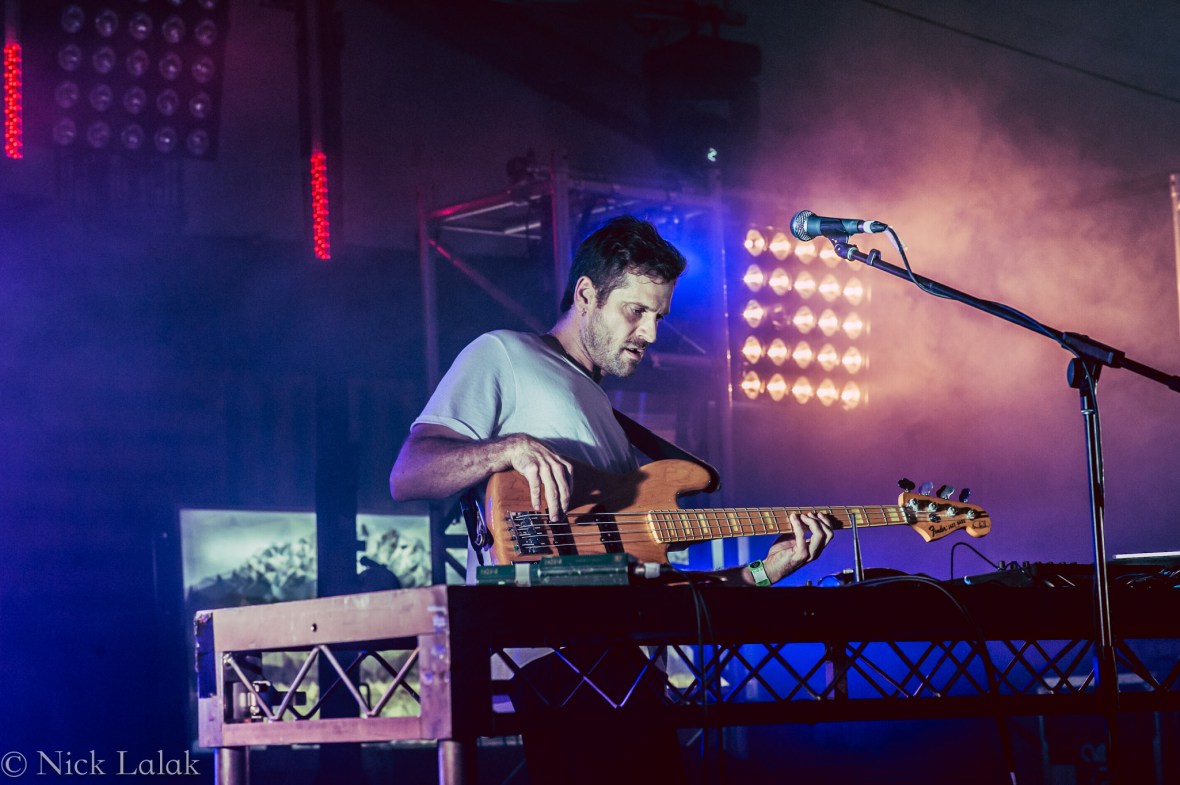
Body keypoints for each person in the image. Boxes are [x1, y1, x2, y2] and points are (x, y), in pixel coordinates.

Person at [390, 215, 836, 783]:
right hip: (555, 664)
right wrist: (508, 448)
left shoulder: (609, 419)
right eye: (635, 311)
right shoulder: (504, 353)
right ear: (586, 295)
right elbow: (409, 474)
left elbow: (658, 590)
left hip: (624, 664)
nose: (650, 334)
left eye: (659, 317)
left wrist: (763, 572)